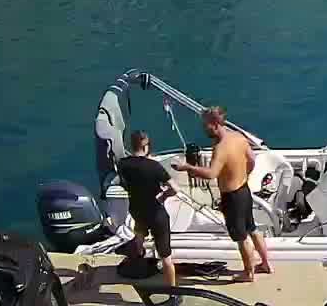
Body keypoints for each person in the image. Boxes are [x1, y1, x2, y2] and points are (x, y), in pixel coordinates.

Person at [175, 106, 271, 282]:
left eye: (206, 125)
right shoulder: (239, 138)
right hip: (244, 190)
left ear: (215, 124)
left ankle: (248, 273)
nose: (204, 129)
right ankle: (265, 264)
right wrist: (244, 174)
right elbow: (251, 159)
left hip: (232, 197)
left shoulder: (220, 148)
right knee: (253, 228)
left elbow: (211, 174)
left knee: (241, 237)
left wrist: (188, 167)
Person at [116, 131, 178, 301]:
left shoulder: (122, 164)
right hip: (156, 213)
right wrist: (164, 196)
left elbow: (122, 181)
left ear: (132, 145)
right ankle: (173, 294)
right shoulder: (154, 167)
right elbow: (175, 188)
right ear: (146, 146)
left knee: (139, 231)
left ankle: (138, 255)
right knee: (166, 256)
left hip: (136, 210)